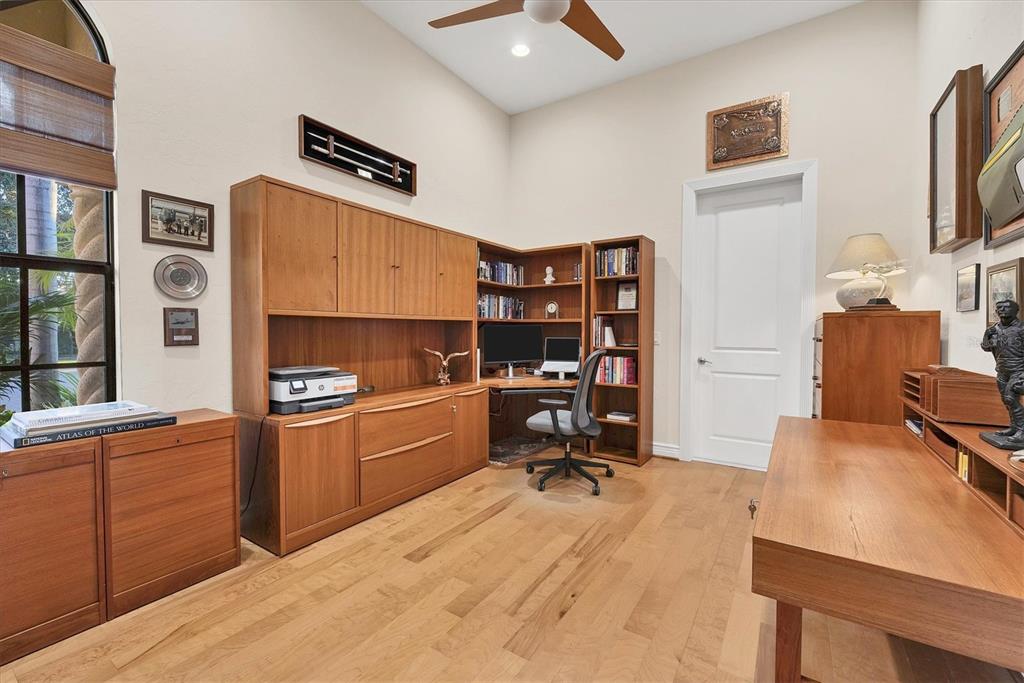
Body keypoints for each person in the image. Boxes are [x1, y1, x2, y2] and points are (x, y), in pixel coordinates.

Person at [981, 299, 1024, 446]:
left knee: (1010, 398)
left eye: (1006, 307)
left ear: (1015, 310)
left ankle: (1022, 430)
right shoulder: (995, 328)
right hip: (1001, 369)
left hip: (1018, 370)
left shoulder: (1022, 328)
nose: (1002, 310)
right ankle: (1014, 428)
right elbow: (986, 348)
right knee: (1006, 401)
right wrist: (987, 334)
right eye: (999, 308)